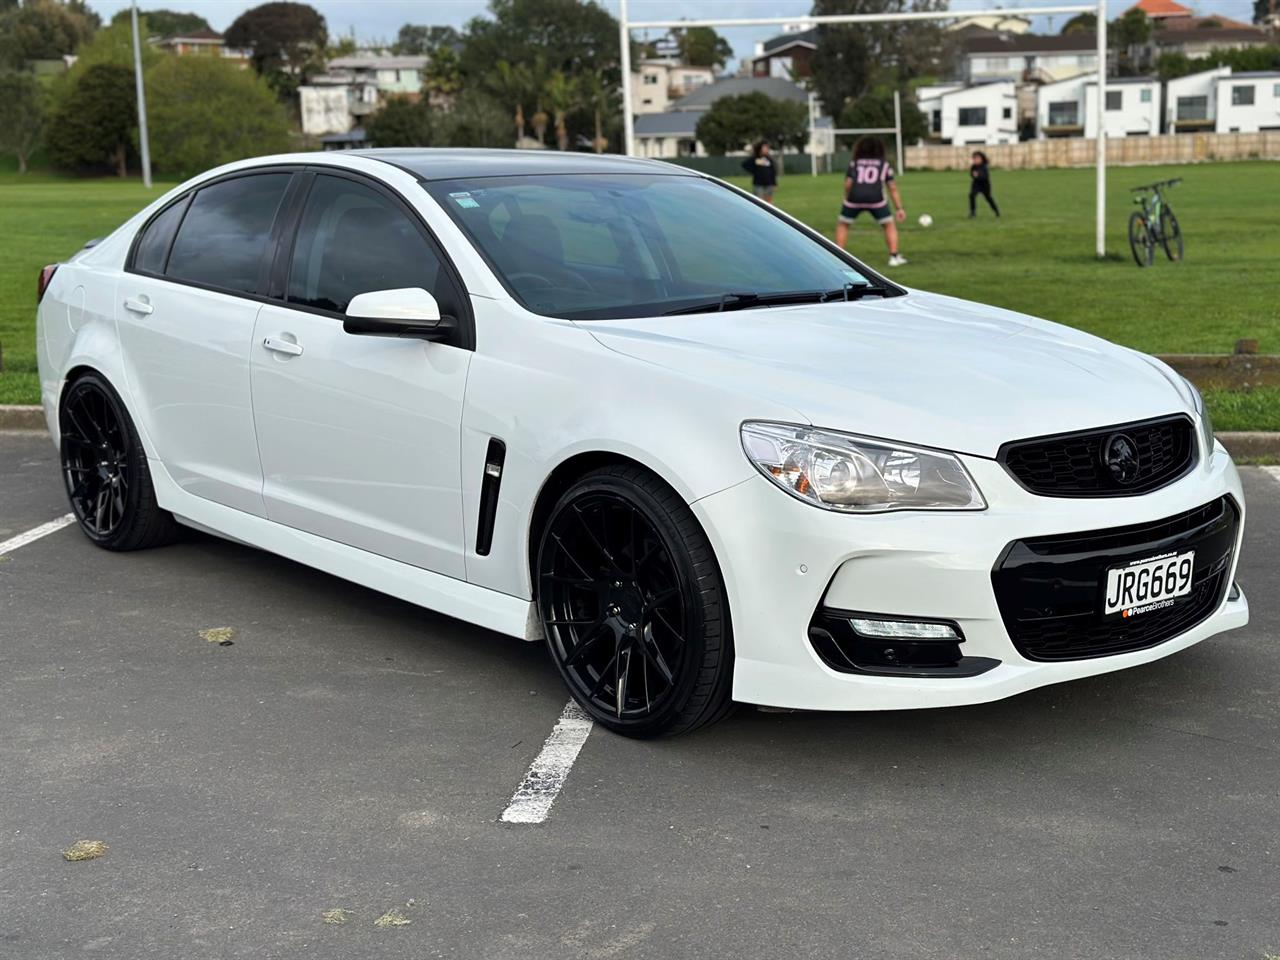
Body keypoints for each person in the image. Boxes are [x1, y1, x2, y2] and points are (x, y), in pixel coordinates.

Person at [835, 136, 907, 267]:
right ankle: (893, 256)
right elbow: (892, 187)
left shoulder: (854, 163)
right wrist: (899, 208)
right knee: (889, 225)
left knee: (843, 224)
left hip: (854, 198)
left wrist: (846, 197)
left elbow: (848, 183)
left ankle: (837, 257)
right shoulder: (883, 164)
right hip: (876, 199)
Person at [742, 140, 777, 204]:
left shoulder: (769, 159)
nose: (766, 149)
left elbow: (773, 172)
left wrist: (774, 184)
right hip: (758, 184)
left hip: (769, 184)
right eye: (765, 147)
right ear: (760, 148)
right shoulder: (755, 158)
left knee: (769, 202)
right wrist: (755, 171)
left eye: (767, 147)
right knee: (759, 202)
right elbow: (744, 165)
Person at [968, 150, 1000, 218]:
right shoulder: (973, 166)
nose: (975, 160)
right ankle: (973, 212)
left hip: (985, 185)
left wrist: (978, 175)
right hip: (976, 184)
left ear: (981, 159)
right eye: (974, 158)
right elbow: (972, 174)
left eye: (977, 158)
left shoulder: (984, 167)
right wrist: (973, 175)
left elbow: (985, 177)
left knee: (988, 198)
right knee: (972, 195)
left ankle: (996, 211)